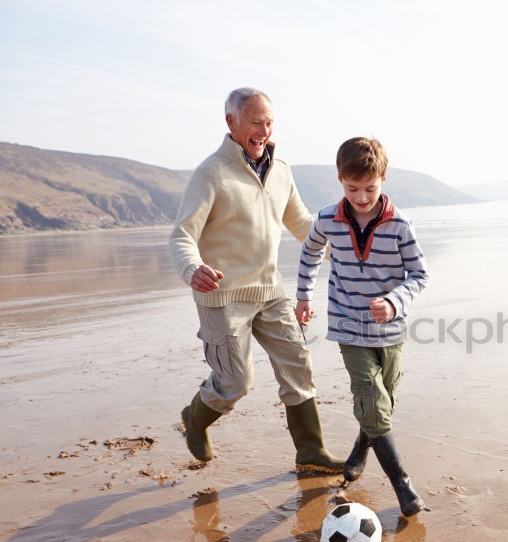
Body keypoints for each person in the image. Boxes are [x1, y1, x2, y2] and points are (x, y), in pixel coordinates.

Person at [167, 87, 344, 473]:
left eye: (268, 122)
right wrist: (192, 268)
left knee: (298, 364)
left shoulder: (281, 170)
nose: (263, 131)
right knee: (236, 382)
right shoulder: (211, 173)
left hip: (270, 290)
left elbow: (300, 223)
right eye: (255, 122)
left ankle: (311, 450)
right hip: (223, 296)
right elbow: (182, 235)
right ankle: (195, 418)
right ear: (231, 123)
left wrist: (344, 252)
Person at [295, 137, 429, 516]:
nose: (362, 197)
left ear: (383, 179)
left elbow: (419, 274)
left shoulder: (400, 225)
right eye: (352, 188)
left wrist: (393, 301)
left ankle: (360, 447)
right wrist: (304, 296)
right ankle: (403, 485)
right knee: (370, 394)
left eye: (370, 188)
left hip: (391, 328)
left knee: (384, 399)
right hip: (348, 325)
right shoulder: (327, 219)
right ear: (340, 180)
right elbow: (309, 254)